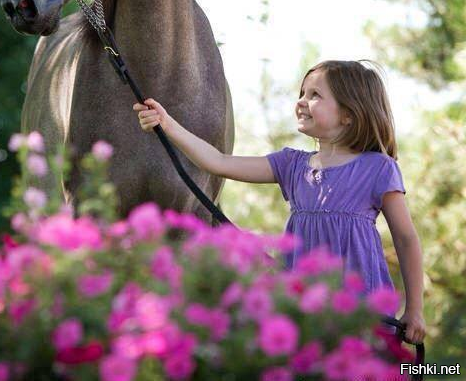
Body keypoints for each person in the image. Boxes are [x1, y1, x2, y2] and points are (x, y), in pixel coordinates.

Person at [133, 59, 426, 345]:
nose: (301, 101)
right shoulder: (292, 165)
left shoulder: (378, 168)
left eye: (314, 95)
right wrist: (167, 124)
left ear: (348, 114)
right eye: (302, 93)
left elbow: (405, 238)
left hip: (361, 313)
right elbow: (218, 161)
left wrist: (415, 310)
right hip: (301, 312)